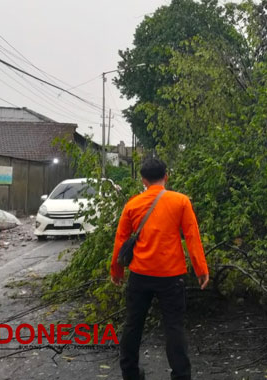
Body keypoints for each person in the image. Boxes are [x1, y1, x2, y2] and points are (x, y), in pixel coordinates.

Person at [111, 158, 209, 380]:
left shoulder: (133, 204)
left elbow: (121, 240)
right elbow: (192, 236)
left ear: (143, 179)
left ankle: (130, 373)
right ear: (167, 176)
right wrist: (201, 269)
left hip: (139, 274)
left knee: (133, 324)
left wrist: (117, 271)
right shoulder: (181, 202)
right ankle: (181, 375)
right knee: (174, 326)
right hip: (171, 275)